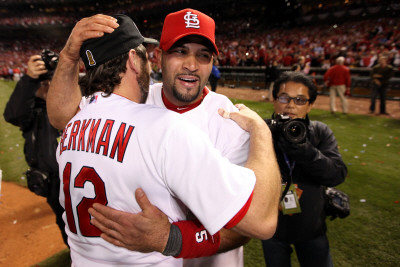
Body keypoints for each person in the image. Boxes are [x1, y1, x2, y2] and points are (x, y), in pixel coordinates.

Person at [47, 9, 281, 267]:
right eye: (180, 51)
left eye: (203, 55)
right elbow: (61, 117)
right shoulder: (140, 101)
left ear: (213, 63)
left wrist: (172, 238)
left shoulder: (230, 121)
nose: (191, 64)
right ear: (157, 57)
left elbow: (248, 225)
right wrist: (68, 57)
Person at [261, 71, 347, 267]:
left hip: (312, 227)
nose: (290, 105)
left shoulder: (319, 132)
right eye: (284, 98)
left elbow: (337, 174)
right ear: (274, 100)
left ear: (310, 106)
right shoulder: (262, 131)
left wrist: (306, 152)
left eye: (300, 100)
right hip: (272, 227)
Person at [3, 52, 68, 246]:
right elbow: (13, 114)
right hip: (53, 180)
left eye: (50, 81)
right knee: (64, 221)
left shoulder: (69, 102)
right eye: (42, 83)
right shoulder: (32, 110)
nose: (47, 86)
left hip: (75, 177)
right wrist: (29, 79)